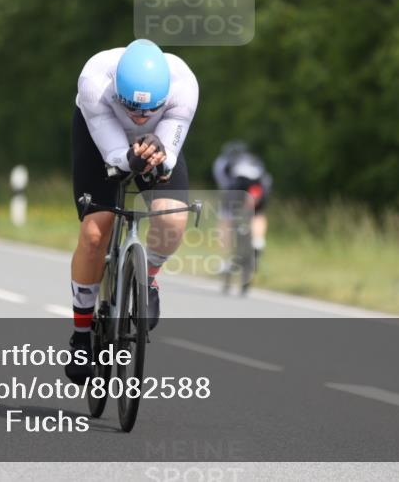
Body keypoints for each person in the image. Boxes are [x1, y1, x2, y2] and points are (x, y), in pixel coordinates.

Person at [66, 38, 199, 383]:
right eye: (132, 108)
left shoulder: (184, 84)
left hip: (159, 136)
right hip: (100, 138)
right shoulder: (95, 81)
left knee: (172, 219)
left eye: (148, 109)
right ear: (118, 92)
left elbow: (167, 155)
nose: (139, 116)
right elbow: (113, 155)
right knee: (96, 230)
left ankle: (149, 279)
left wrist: (160, 154)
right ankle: (81, 335)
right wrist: (128, 158)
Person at [212, 140, 272, 290]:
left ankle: (226, 258)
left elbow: (224, 184)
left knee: (225, 217)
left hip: (237, 187)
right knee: (258, 214)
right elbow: (267, 180)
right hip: (259, 187)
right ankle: (258, 242)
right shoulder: (255, 160)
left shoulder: (222, 161)